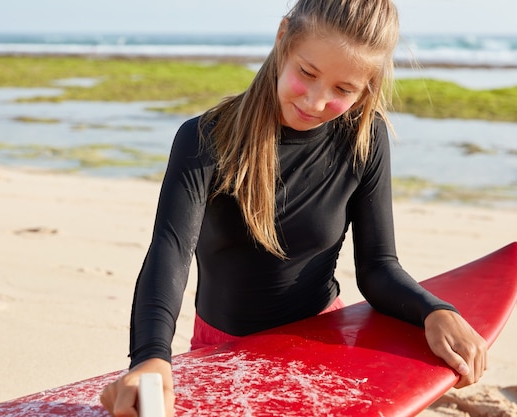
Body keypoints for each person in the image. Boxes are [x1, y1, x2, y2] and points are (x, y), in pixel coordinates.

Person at [101, 0, 487, 415]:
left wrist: (434, 312)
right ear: (283, 37)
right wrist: (151, 357)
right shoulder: (206, 139)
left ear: (367, 86)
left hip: (326, 342)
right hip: (223, 351)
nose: (317, 102)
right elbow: (169, 252)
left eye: (343, 90)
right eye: (307, 73)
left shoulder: (364, 138)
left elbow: (377, 267)